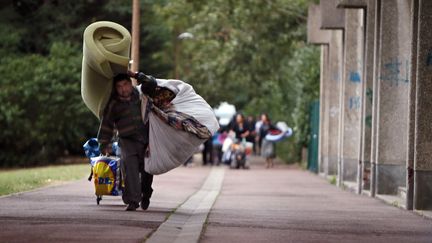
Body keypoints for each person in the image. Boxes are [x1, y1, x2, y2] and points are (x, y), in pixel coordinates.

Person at [97, 72, 156, 211]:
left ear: (130, 84)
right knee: (130, 170)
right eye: (119, 87)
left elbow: (152, 83)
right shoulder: (113, 103)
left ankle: (146, 194)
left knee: (147, 170)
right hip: (127, 141)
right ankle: (133, 201)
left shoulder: (142, 94)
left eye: (125, 85)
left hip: (147, 139)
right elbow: (106, 124)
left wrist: (135, 74)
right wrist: (104, 144)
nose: (123, 89)